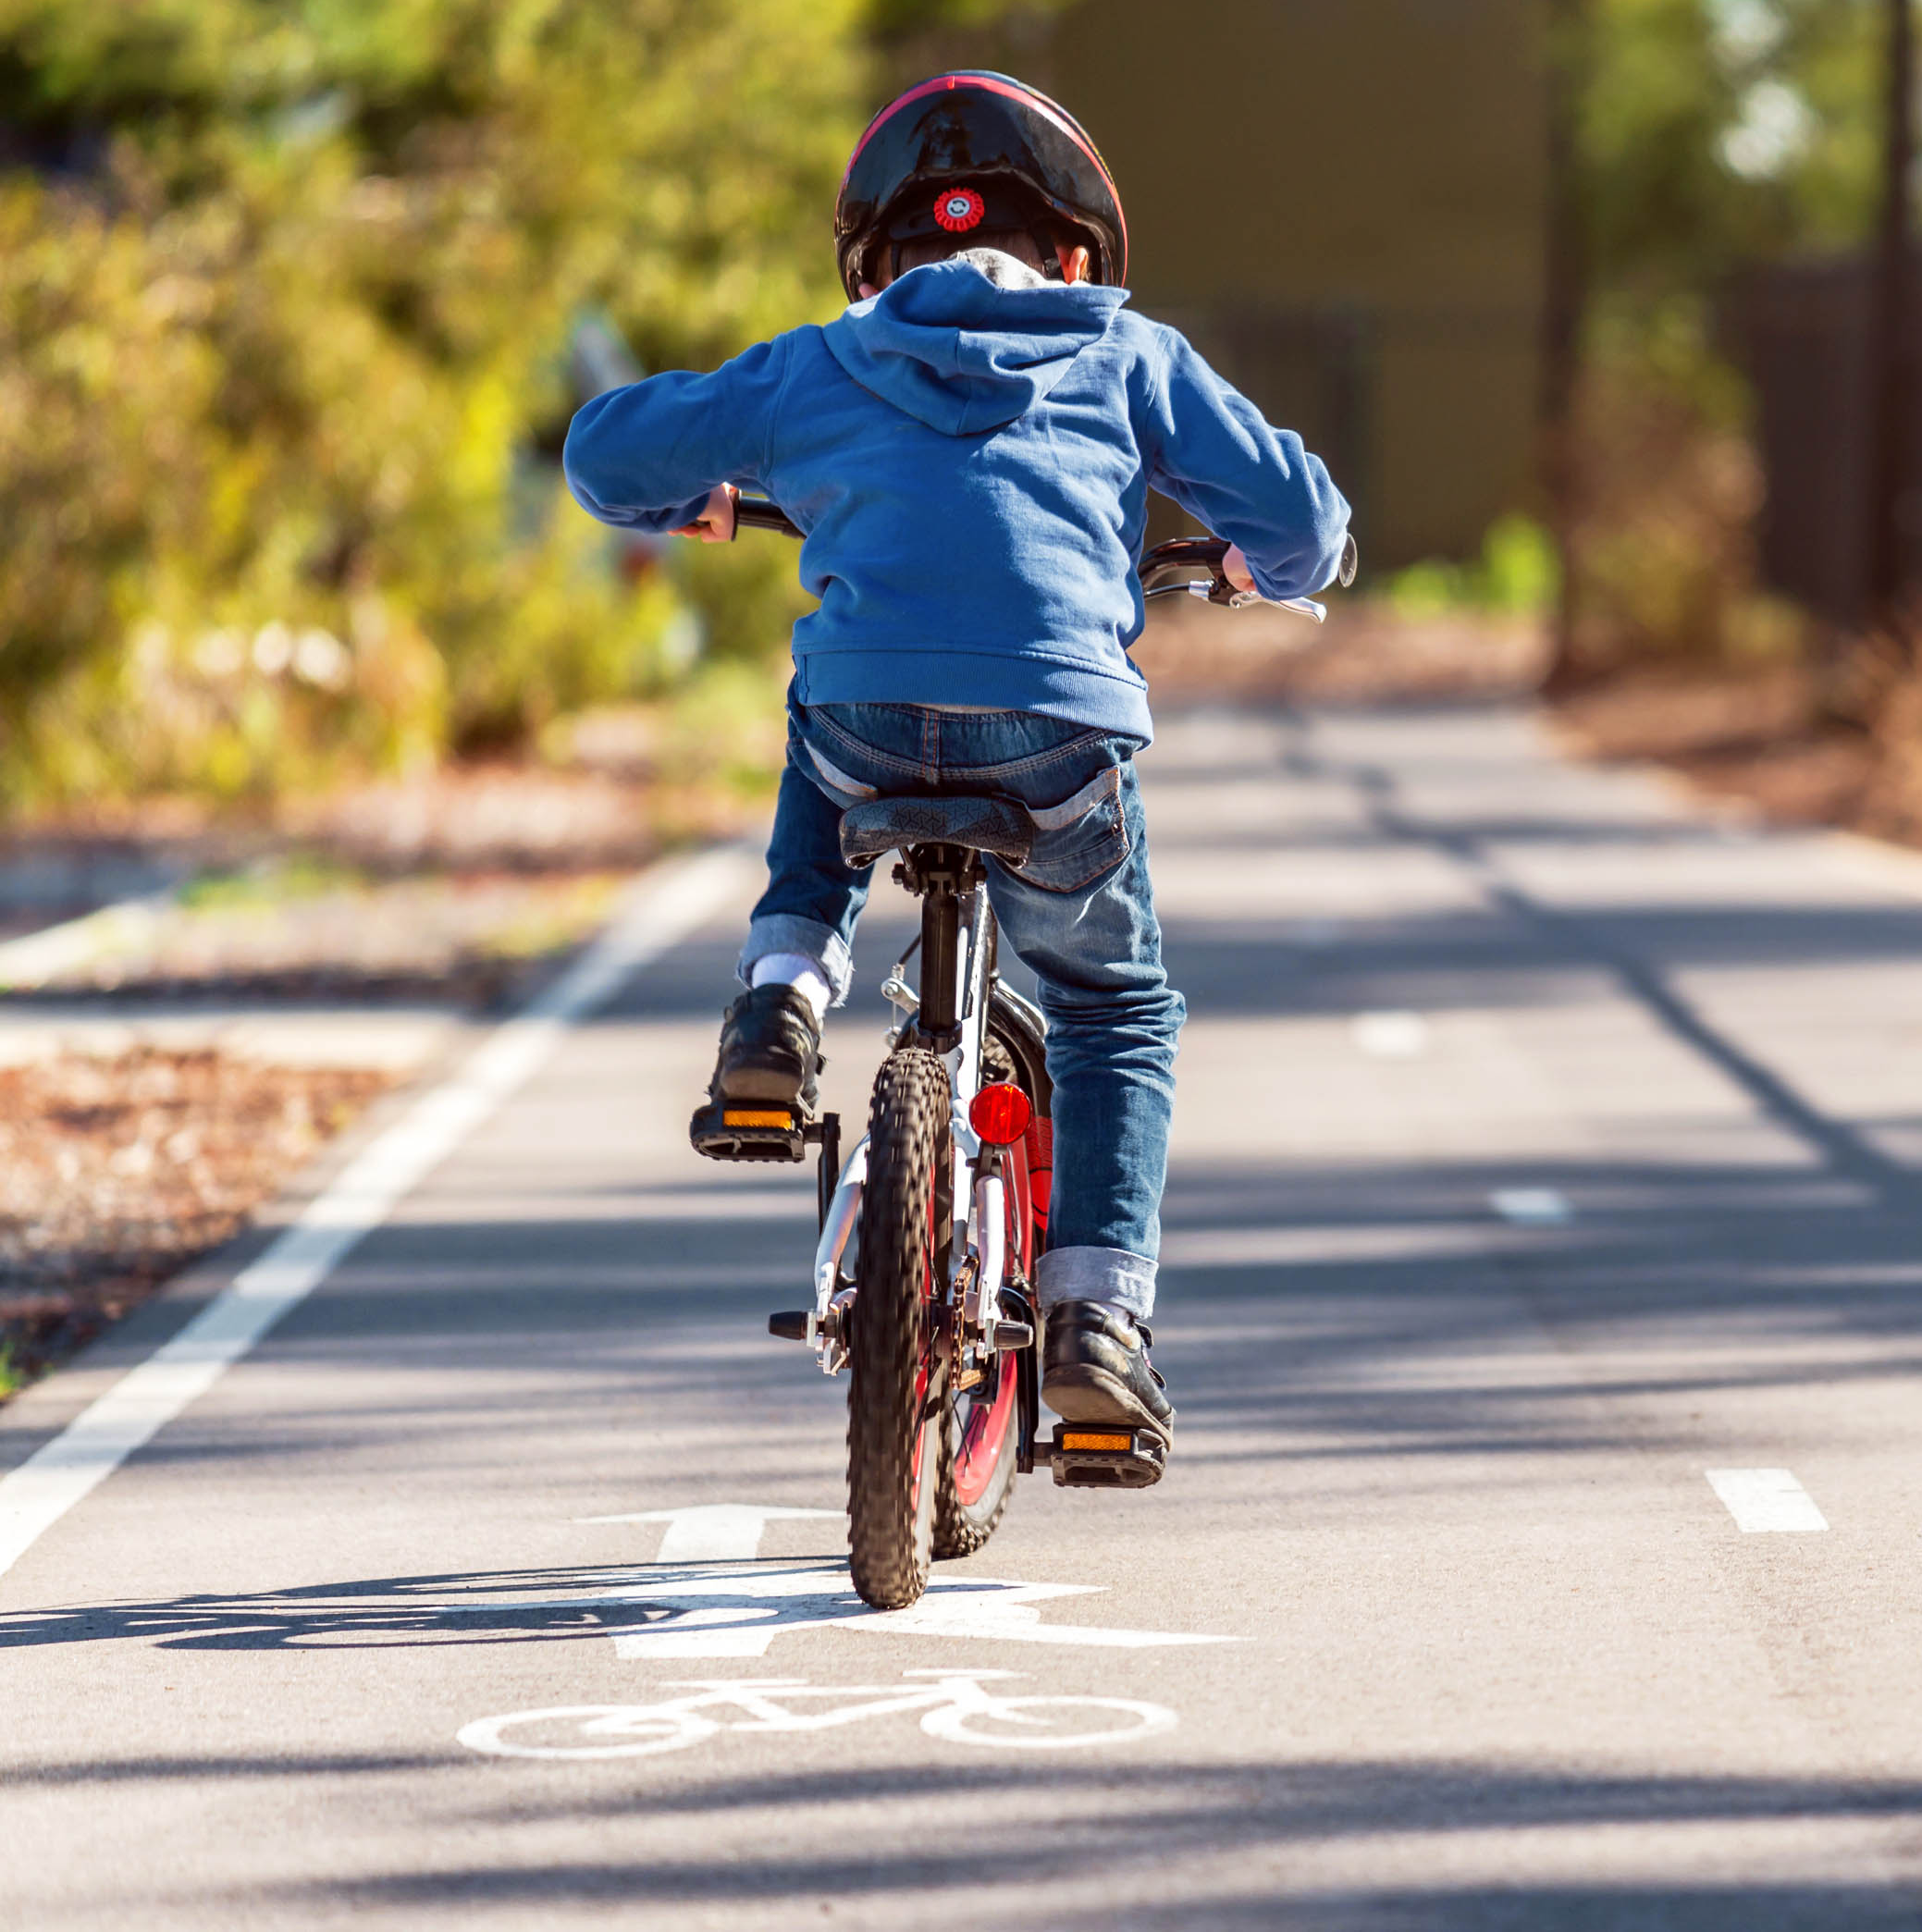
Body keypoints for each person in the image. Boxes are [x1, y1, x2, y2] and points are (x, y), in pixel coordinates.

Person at [560, 71, 1351, 1463]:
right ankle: (1098, 1325)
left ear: (879, 261)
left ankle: (780, 996)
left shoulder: (823, 361)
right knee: (1115, 1010)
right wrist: (1261, 563)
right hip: (1056, 742)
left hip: (866, 735)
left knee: (831, 693)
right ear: (1081, 255)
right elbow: (1301, 517)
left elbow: (602, 452)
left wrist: (708, 493)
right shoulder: (1128, 352)